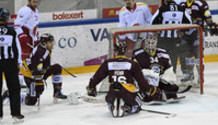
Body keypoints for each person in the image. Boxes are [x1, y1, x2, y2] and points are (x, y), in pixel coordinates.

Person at [86, 43, 158, 117]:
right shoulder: (133, 64)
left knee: (109, 99)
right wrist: (149, 90)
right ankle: (129, 108)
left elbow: (96, 77)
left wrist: (91, 88)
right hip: (128, 94)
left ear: (115, 52)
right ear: (126, 51)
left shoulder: (108, 63)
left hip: (112, 94)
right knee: (138, 105)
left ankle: (112, 106)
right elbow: (141, 82)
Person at [20, 33, 67, 106]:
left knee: (57, 67)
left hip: (37, 71)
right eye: (50, 42)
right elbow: (35, 70)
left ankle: (57, 92)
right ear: (44, 43)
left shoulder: (46, 48)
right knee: (31, 101)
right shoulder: (40, 52)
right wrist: (39, 83)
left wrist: (45, 73)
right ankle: (12, 96)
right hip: (29, 74)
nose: (52, 44)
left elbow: (43, 66)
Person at [132, 33, 180, 102]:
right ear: (145, 41)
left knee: (172, 87)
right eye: (148, 42)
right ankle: (149, 96)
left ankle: (170, 95)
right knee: (155, 94)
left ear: (156, 42)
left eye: (152, 42)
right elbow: (135, 70)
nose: (150, 44)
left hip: (160, 79)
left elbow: (168, 69)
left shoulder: (163, 53)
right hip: (147, 82)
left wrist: (166, 78)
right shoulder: (137, 53)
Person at [178, 0, 217, 83]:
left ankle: (200, 75)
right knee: (187, 54)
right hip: (185, 33)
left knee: (198, 55)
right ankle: (190, 73)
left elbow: (207, 16)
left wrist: (211, 24)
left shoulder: (201, 3)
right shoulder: (182, 4)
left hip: (197, 33)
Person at [150, 0, 192, 73]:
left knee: (161, 58)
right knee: (173, 59)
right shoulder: (181, 8)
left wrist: (156, 29)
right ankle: (172, 75)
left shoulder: (162, 8)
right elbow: (189, 21)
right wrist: (183, 30)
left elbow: (152, 21)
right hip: (175, 39)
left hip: (163, 39)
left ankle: (161, 76)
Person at [0, 8, 24, 121]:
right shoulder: (12, 31)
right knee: (14, 88)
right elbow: (17, 48)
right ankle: (16, 114)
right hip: (10, 63)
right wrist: (19, 62)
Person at [14, 0, 39, 87]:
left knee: (28, 59)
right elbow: (17, 25)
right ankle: (19, 81)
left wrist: (36, 38)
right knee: (22, 59)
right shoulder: (25, 10)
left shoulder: (36, 11)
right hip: (24, 38)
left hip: (30, 38)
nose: (35, 3)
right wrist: (22, 36)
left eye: (36, 1)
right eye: (33, 1)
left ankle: (25, 79)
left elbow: (34, 27)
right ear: (29, 1)